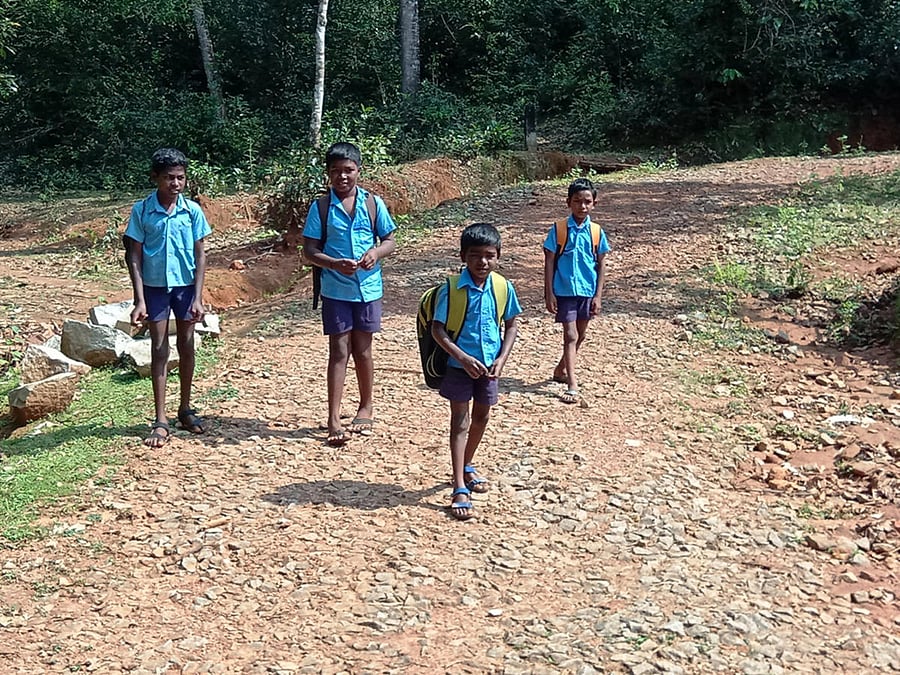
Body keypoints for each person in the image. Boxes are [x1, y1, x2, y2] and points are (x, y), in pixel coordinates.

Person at [302, 142, 397, 447]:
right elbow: (309, 251)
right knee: (339, 351)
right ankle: (333, 416)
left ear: (359, 170)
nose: (342, 177)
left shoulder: (372, 203)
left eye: (348, 170)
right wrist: (333, 264)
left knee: (364, 350)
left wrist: (375, 253)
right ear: (328, 174)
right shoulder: (320, 207)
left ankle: (366, 406)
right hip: (335, 289)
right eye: (335, 171)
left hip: (369, 288)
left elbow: (390, 240)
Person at [431, 223, 521, 520]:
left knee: (483, 415)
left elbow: (512, 323)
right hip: (459, 368)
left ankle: (467, 464)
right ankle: (459, 485)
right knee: (460, 420)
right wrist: (462, 357)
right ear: (462, 257)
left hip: (490, 367)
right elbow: (438, 330)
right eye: (474, 256)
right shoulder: (452, 289)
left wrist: (502, 359)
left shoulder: (502, 287)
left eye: (489, 255)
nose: (482, 262)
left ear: (498, 257)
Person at [124, 147, 211, 447]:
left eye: (180, 178)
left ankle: (185, 408)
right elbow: (133, 255)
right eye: (169, 178)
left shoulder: (192, 211)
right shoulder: (143, 211)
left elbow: (200, 254)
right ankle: (160, 419)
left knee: (186, 345)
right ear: (156, 178)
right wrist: (139, 299)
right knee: (159, 348)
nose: (175, 184)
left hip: (186, 288)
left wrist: (198, 297)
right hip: (155, 288)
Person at [543, 177, 610, 404]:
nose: (582, 206)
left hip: (587, 291)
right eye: (577, 201)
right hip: (564, 291)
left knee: (581, 335)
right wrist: (549, 293)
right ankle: (572, 384)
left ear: (594, 204)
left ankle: (560, 369)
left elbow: (601, 264)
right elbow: (549, 260)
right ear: (568, 202)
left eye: (587, 202)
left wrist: (598, 296)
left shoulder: (597, 232)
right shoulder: (559, 229)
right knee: (570, 335)